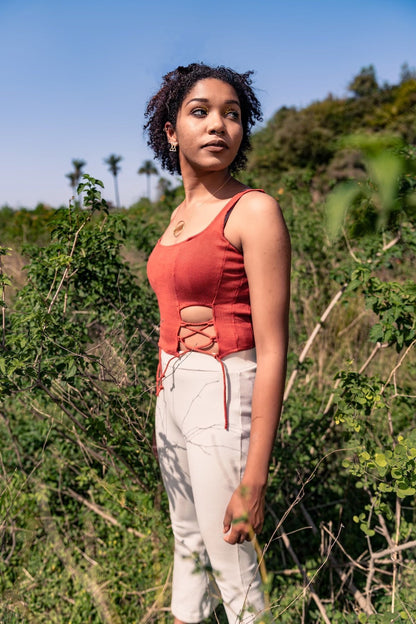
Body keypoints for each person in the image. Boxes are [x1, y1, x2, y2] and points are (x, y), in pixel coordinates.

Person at [145, 63, 290, 624]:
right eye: (200, 111)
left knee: (231, 560)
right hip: (172, 393)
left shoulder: (252, 209)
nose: (218, 126)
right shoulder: (179, 216)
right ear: (170, 130)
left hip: (226, 389)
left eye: (232, 114)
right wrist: (164, 404)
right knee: (187, 543)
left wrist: (254, 476)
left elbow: (273, 348)